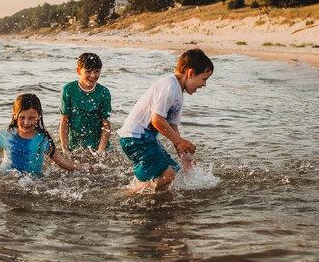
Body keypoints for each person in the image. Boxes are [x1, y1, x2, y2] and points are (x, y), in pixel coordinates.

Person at [117, 49, 213, 193]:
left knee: (175, 171)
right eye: (204, 79)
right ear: (191, 73)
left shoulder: (178, 92)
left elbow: (172, 125)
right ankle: (130, 194)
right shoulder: (170, 86)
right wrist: (180, 142)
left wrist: (183, 155)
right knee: (168, 176)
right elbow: (157, 120)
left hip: (145, 138)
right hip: (136, 138)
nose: (204, 84)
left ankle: (142, 192)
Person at [0, 93, 86, 176]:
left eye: (31, 118)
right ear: (14, 115)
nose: (26, 122)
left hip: (33, 183)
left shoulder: (43, 139)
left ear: (39, 116)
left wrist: (86, 168)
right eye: (22, 117)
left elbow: (61, 162)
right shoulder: (6, 135)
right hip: (5, 179)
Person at [59, 52, 112, 155]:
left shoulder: (104, 92)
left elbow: (106, 124)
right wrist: (65, 149)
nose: (93, 76)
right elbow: (64, 122)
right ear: (78, 71)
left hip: (99, 144)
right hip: (75, 145)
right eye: (88, 72)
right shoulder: (68, 90)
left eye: (96, 71)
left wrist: (100, 151)